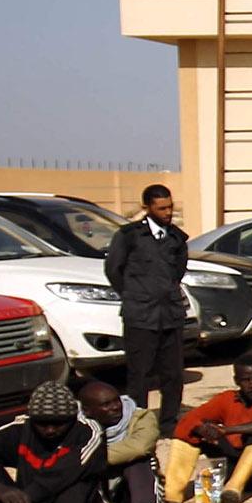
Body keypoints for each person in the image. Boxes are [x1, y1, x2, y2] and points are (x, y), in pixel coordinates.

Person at [103, 183, 189, 430]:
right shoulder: (129, 236)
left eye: (170, 207)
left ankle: (169, 423)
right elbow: (114, 269)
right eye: (161, 208)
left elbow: (178, 271)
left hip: (169, 314)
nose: (167, 212)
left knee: (172, 375)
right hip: (140, 315)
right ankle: (138, 423)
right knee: (139, 375)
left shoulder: (176, 238)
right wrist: (134, 295)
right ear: (147, 207)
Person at [164, 354, 252, 503]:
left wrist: (226, 430)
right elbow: (188, 419)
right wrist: (203, 429)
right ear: (237, 381)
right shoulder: (227, 399)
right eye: (246, 380)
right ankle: (172, 493)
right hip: (235, 461)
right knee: (190, 433)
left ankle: (233, 490)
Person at [78, 380, 162, 503]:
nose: (116, 407)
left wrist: (91, 456)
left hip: (133, 492)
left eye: (116, 401)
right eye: (106, 405)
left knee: (139, 460)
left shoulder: (140, 416)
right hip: (100, 491)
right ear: (88, 411)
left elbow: (139, 447)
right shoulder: (77, 425)